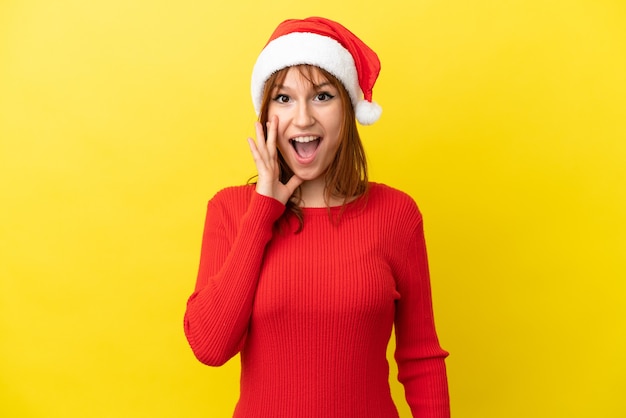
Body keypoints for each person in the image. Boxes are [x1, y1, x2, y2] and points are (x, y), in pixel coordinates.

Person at [183, 16, 450, 418]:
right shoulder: (231, 210)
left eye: (322, 96)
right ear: (265, 114)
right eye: (284, 98)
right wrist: (261, 214)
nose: (304, 118)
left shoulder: (396, 215)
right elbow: (210, 346)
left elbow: (421, 358)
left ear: (348, 108)